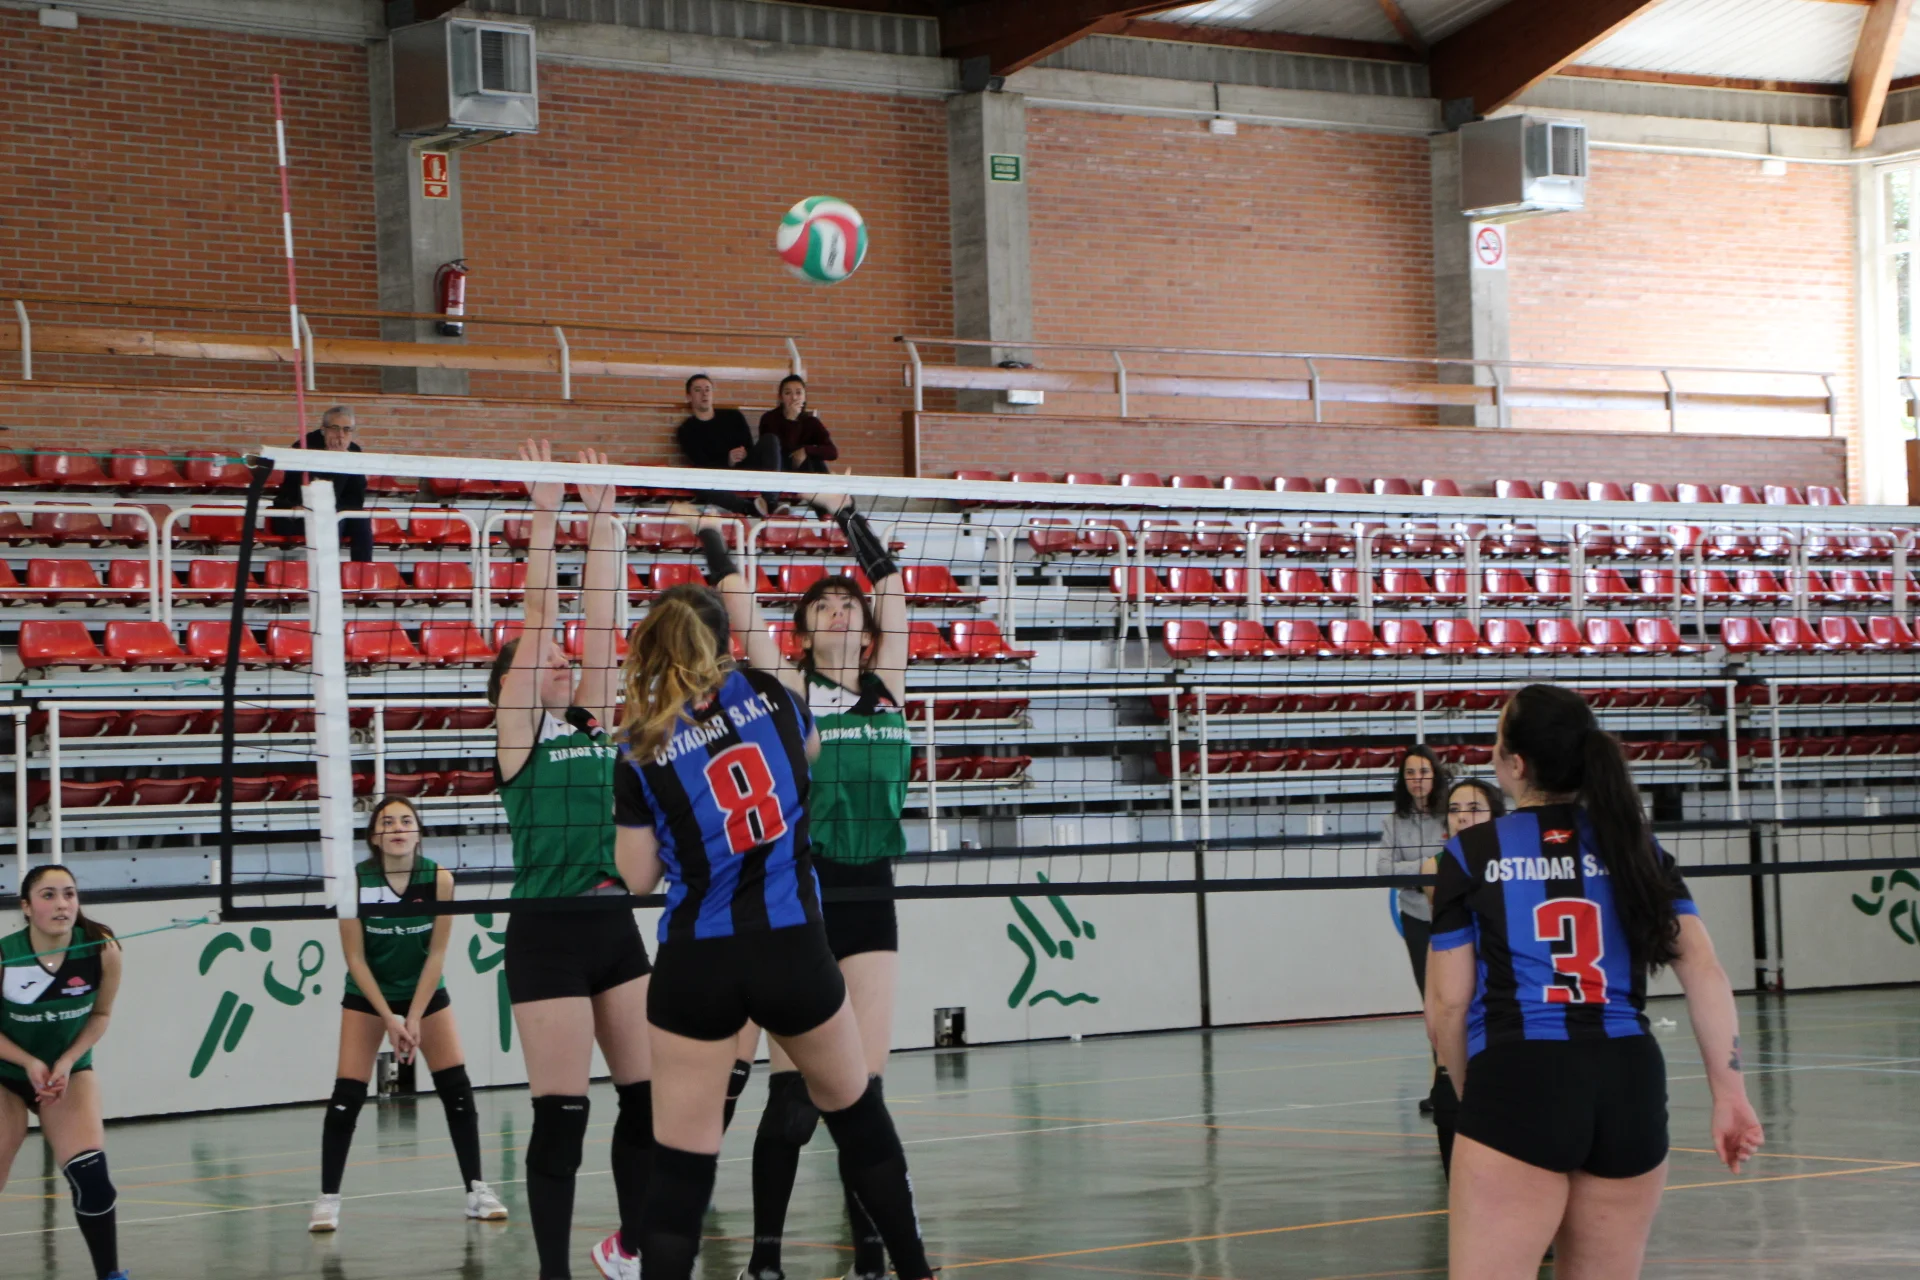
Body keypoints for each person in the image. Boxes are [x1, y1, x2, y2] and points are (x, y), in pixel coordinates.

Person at [607, 584, 935, 1280]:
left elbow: (635, 878)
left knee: (681, 1171)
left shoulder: (640, 743)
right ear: (724, 641)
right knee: (858, 1117)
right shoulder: (774, 695)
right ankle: (913, 1270)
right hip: (791, 945)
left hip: (697, 958)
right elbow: (809, 753)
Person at [1426, 685, 1764, 1279]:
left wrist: (1474, 1091)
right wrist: (1730, 1096)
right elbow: (1704, 972)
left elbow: (1448, 1005)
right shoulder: (1635, 845)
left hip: (1521, 1073)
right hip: (1629, 1081)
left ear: (1516, 764)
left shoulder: (1469, 852)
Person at [690, 492, 909, 1280]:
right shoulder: (794, 691)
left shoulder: (888, 683)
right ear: (807, 633)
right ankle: (765, 1260)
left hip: (872, 894)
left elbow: (894, 587)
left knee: (862, 1094)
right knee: (794, 1102)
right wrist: (712, 538)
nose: (841, 612)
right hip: (804, 895)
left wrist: (846, 514)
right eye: (824, 607)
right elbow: (743, 614)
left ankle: (871, 1254)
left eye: (849, 604)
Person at [490, 441, 654, 1280]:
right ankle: (553, 1272)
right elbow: (538, 621)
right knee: (562, 1117)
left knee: (649, 1099)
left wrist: (602, 523)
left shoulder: (594, 721)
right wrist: (547, 515)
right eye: (546, 662)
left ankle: (628, 1248)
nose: (562, 659)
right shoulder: (518, 736)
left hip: (612, 922)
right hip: (546, 932)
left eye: (565, 659)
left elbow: (597, 623)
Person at [309, 796, 506, 1232]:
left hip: (424, 993)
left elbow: (437, 953)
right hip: (368, 995)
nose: (397, 828)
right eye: (387, 823)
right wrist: (389, 1018)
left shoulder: (438, 879)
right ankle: (328, 1199)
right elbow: (355, 959)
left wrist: (413, 1017)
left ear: (418, 833)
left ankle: (477, 1190)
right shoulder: (354, 882)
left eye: (405, 821)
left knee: (457, 1090)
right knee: (346, 1097)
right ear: (374, 837)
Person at [1, 865, 127, 1280]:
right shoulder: (5, 956)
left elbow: (101, 1014)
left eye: (69, 894)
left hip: (66, 1071)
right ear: (26, 907)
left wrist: (69, 1060)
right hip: (5, 1074)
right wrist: (28, 1061)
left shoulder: (102, 949)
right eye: (49, 895)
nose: (62, 904)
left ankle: (110, 1275)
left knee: (94, 1181)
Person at [1422, 776, 1505, 1179]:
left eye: (1474, 809)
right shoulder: (1438, 868)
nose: (1462, 817)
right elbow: (1441, 952)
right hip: (1461, 1005)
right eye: (1454, 810)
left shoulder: (1515, 868)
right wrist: (1435, 1016)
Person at [1377, 745, 1449, 1114]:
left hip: (1452, 916)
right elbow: (1384, 870)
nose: (1417, 779)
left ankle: (1462, 1080)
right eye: (1409, 773)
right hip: (1417, 917)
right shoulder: (1394, 822)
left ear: (1434, 775)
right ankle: (1441, 1084)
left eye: (1423, 772)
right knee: (1431, 1003)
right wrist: (1426, 867)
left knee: (1457, 1000)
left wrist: (1420, 870)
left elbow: (1459, 860)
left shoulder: (1450, 814)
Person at [271, 404, 374, 563]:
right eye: (335, 428)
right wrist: (334, 461)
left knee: (361, 521)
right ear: (323, 429)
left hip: (336, 512)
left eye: (347, 429)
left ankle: (362, 571)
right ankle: (328, 571)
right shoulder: (304, 447)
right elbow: (300, 491)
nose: (340, 435)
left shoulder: (353, 451)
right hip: (298, 512)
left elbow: (356, 499)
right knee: (333, 520)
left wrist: (343, 459)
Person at [676, 374, 783, 517]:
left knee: (770, 439)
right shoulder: (686, 429)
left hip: (746, 470)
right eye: (698, 390)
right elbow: (701, 464)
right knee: (696, 480)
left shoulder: (733, 416)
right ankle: (750, 509)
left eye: (707, 389)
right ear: (689, 397)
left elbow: (749, 446)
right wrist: (728, 460)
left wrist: (744, 453)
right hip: (717, 478)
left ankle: (771, 502)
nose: (704, 394)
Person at [757, 376, 838, 475]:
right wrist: (791, 420)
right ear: (781, 398)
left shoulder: (811, 422)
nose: (794, 398)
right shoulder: (769, 418)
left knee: (814, 459)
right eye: (788, 393)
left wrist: (806, 450)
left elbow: (832, 452)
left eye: (798, 393)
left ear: (804, 397)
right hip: (779, 469)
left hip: (803, 470)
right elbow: (782, 451)